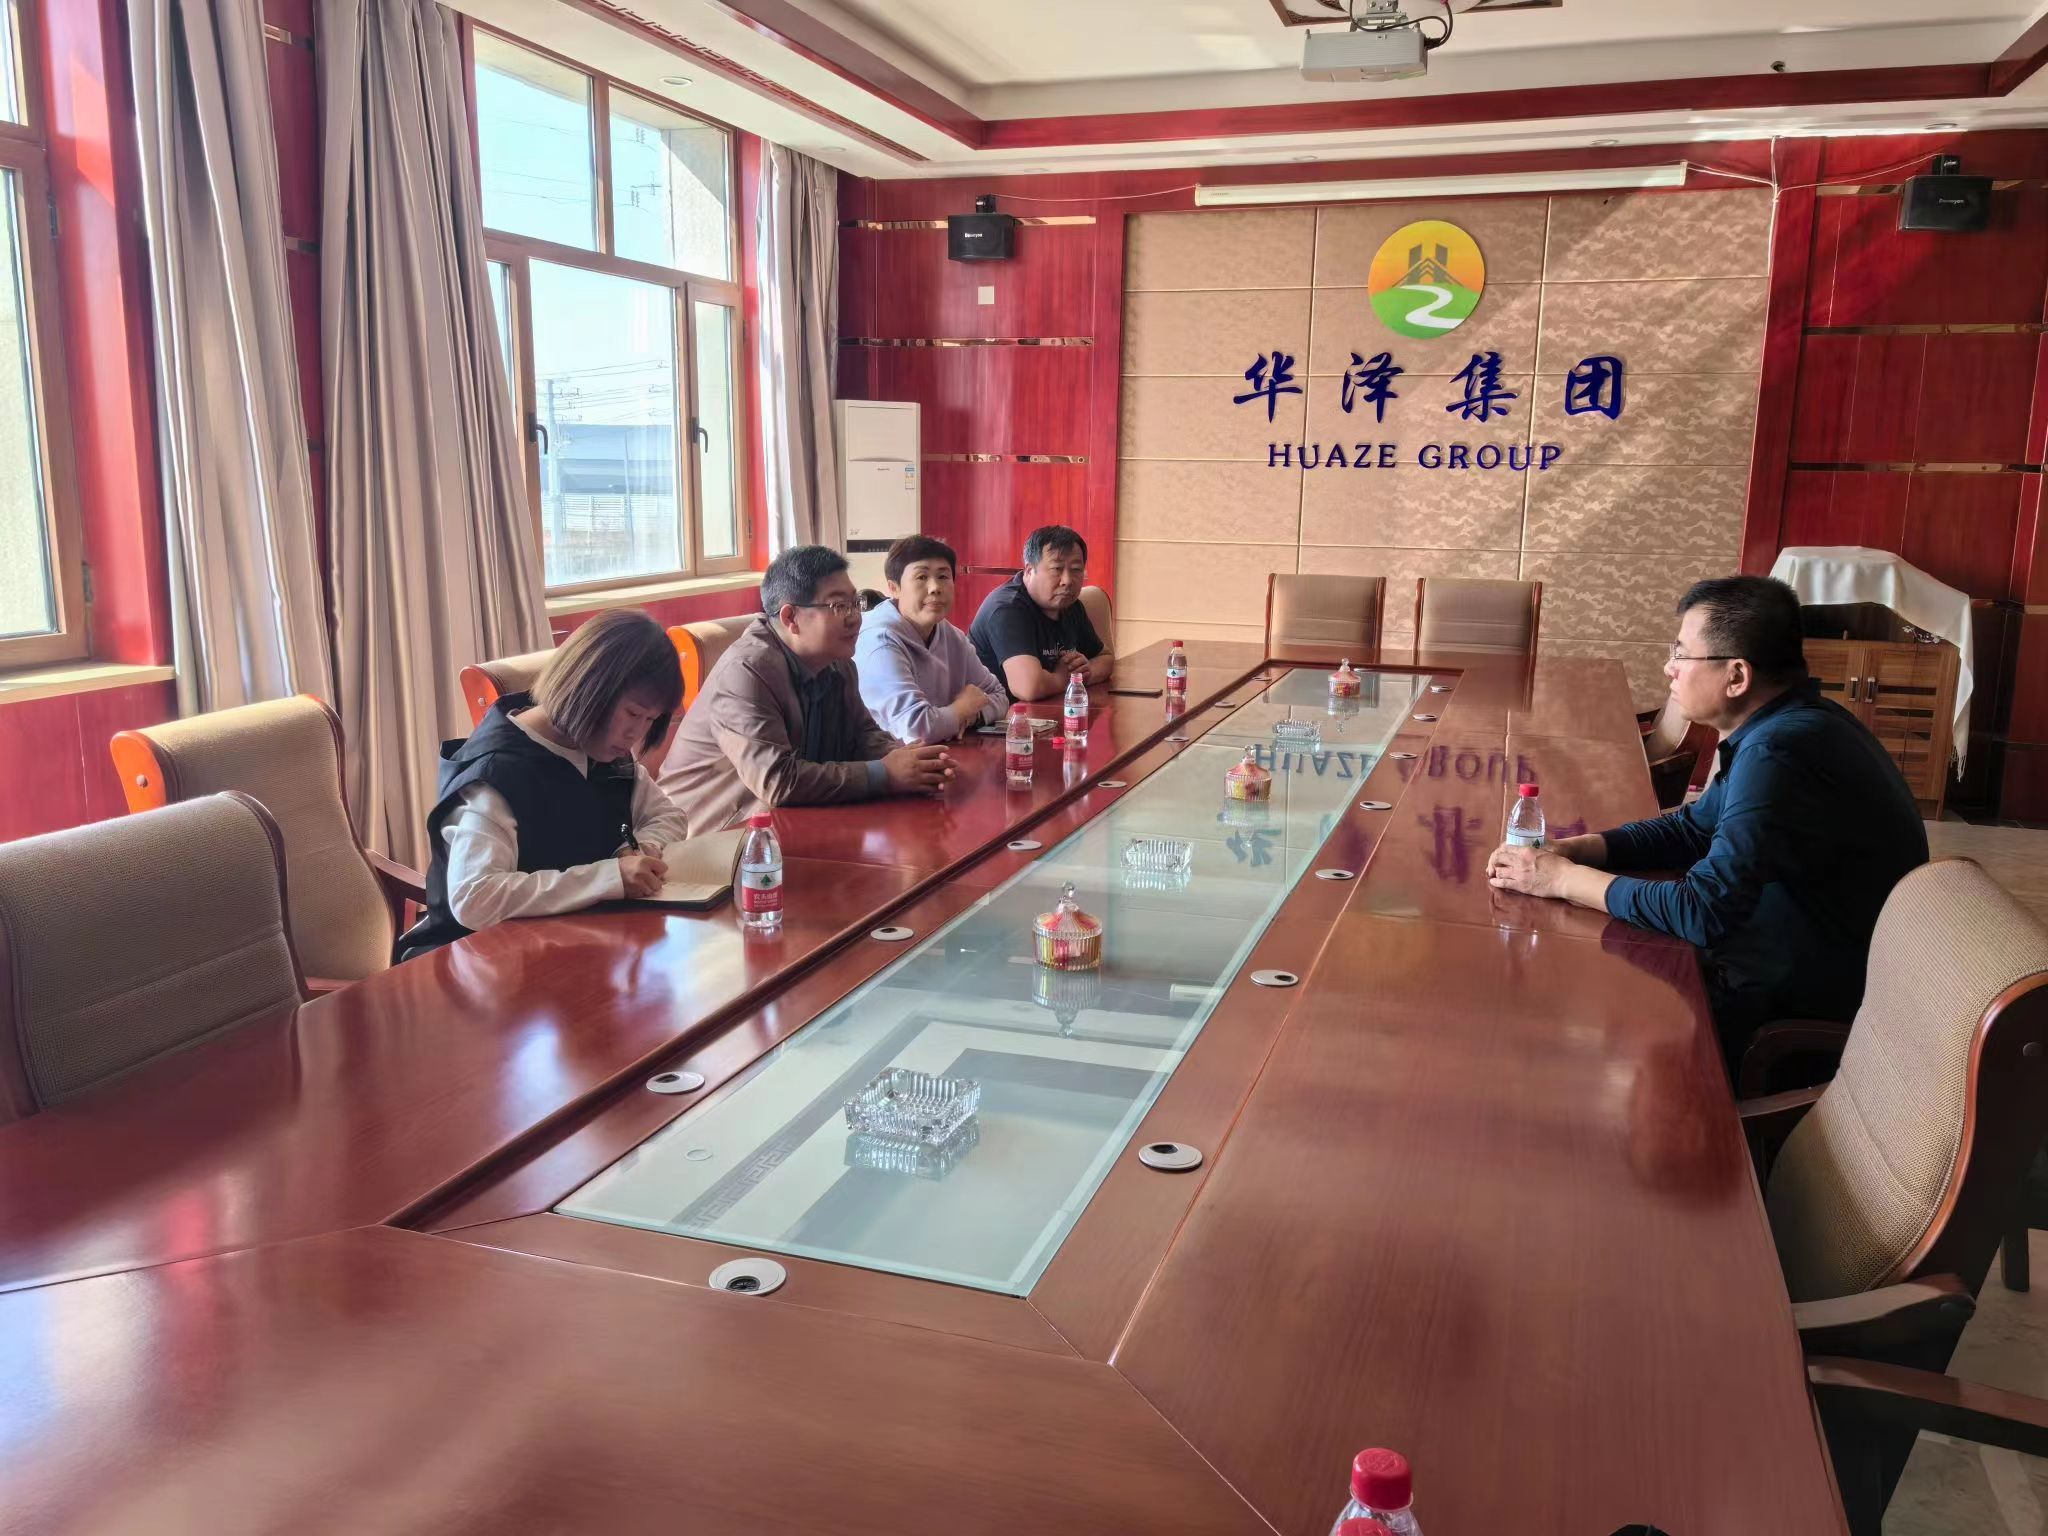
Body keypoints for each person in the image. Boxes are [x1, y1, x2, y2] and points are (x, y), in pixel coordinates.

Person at [1485, 574, 1927, 1066]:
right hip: (1780, 956)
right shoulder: (1792, 725)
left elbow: (1703, 911)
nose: (1669, 668)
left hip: (1784, 1012)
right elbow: (1693, 828)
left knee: (1557, 1018)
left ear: (1736, 677)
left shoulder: (1779, 751)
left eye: (1681, 653)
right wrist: (1577, 848)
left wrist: (1562, 879)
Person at [395, 609, 688, 962]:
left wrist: (638, 850)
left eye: (650, 720)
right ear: (589, 689)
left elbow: (669, 816)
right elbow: (474, 898)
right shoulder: (496, 774)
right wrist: (607, 878)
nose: (636, 734)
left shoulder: (601, 750)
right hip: (473, 962)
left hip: (567, 949)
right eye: (633, 713)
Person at [658, 544, 953, 834]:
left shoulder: (838, 662)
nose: (855, 618)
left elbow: (862, 735)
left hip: (792, 825)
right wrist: (885, 774)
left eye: (855, 603)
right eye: (839, 606)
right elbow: (777, 780)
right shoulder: (746, 671)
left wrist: (913, 763)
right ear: (790, 618)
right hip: (710, 840)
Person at [856, 534, 1011, 744]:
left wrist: (969, 715)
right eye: (921, 577)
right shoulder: (880, 640)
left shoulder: (951, 636)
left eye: (943, 577)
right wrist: (961, 709)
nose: (935, 587)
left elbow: (999, 695)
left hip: (942, 754)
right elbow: (915, 730)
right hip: (888, 759)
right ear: (894, 588)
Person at [967, 525, 1112, 702]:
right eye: (1056, 569)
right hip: (997, 715)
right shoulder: (1007, 609)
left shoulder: (1070, 605)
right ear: (1029, 571)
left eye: (1076, 569)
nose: (1067, 581)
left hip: (1047, 708)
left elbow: (1105, 658)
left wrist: (1087, 671)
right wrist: (1064, 678)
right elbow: (1029, 688)